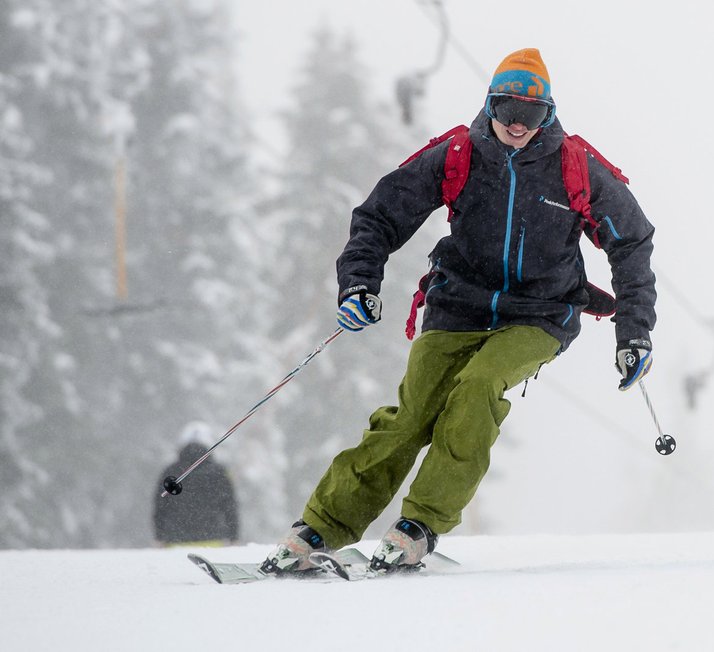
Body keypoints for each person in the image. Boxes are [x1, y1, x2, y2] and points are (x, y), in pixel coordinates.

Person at [262, 48, 656, 574]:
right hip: (458, 305)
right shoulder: (457, 154)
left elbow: (631, 243)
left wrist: (634, 334)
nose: (517, 125)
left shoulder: (575, 167)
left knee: (477, 387)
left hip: (540, 314)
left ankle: (419, 525)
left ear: (550, 114)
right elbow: (379, 216)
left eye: (532, 114)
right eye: (505, 109)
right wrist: (359, 283)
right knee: (411, 417)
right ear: (488, 105)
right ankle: (320, 528)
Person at [153, 421, 239, 546]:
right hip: (213, 542)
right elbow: (230, 506)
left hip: (175, 542)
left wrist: (159, 535)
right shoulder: (220, 473)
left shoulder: (170, 472)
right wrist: (233, 536)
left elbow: (160, 506)